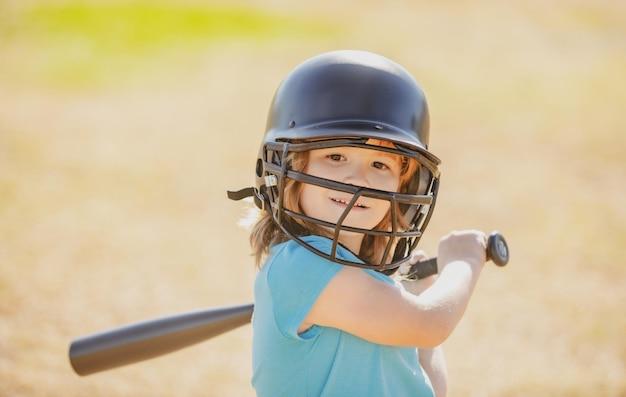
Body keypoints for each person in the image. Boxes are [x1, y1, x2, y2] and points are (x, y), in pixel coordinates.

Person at [228, 50, 487, 397]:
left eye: (380, 165)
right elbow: (429, 324)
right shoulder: (301, 269)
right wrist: (463, 263)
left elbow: (427, 386)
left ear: (405, 185)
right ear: (290, 170)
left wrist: (416, 293)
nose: (358, 179)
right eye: (335, 157)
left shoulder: (373, 290)